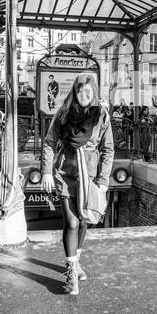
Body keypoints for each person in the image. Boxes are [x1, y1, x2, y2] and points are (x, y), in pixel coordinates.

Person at [42, 73, 114, 295]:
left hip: (90, 179)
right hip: (65, 175)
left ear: (93, 92)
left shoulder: (101, 116)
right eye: (81, 89)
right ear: (75, 92)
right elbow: (49, 143)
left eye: (89, 90)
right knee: (72, 223)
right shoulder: (62, 114)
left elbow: (108, 149)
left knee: (84, 222)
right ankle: (71, 273)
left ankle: (76, 260)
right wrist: (46, 172)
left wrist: (103, 180)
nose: (85, 93)